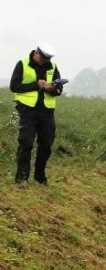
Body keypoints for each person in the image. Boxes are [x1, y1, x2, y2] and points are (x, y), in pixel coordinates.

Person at [9, 43, 63, 184]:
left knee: (46, 145)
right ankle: (21, 178)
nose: (45, 61)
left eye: (48, 59)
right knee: (26, 143)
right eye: (43, 58)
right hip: (27, 110)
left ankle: (40, 177)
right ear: (36, 53)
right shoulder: (22, 64)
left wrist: (51, 88)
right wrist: (36, 85)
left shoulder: (52, 66)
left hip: (47, 112)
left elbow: (59, 90)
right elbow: (14, 86)